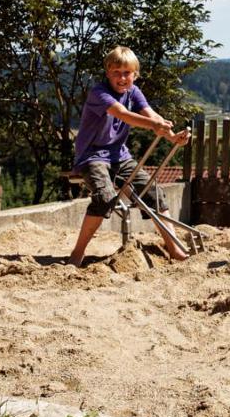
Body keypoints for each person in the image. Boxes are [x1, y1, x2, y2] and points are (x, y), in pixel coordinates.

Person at [67, 45, 191, 267]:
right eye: (116, 72)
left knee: (154, 192)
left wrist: (171, 136)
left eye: (127, 73)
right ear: (107, 72)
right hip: (92, 156)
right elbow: (123, 115)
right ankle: (78, 252)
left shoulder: (133, 92)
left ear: (135, 74)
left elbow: (151, 114)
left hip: (119, 155)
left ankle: (174, 247)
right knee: (104, 197)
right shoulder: (99, 93)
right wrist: (154, 125)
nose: (122, 78)